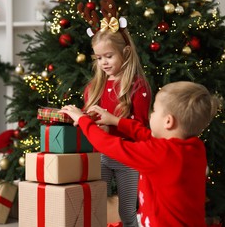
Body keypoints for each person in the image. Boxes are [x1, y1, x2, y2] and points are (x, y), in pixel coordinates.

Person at [60, 81, 221, 226]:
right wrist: (115, 121)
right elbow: (146, 135)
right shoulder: (193, 147)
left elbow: (109, 145)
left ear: (168, 121)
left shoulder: (159, 154)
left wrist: (82, 120)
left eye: (155, 110)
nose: (151, 114)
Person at [81, 0, 152, 226]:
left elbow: (141, 129)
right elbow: (84, 123)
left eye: (109, 56)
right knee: (95, 206)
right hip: (99, 156)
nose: (103, 62)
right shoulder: (94, 87)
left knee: (127, 211)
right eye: (99, 57)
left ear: (126, 53)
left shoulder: (137, 87)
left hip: (128, 158)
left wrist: (111, 121)